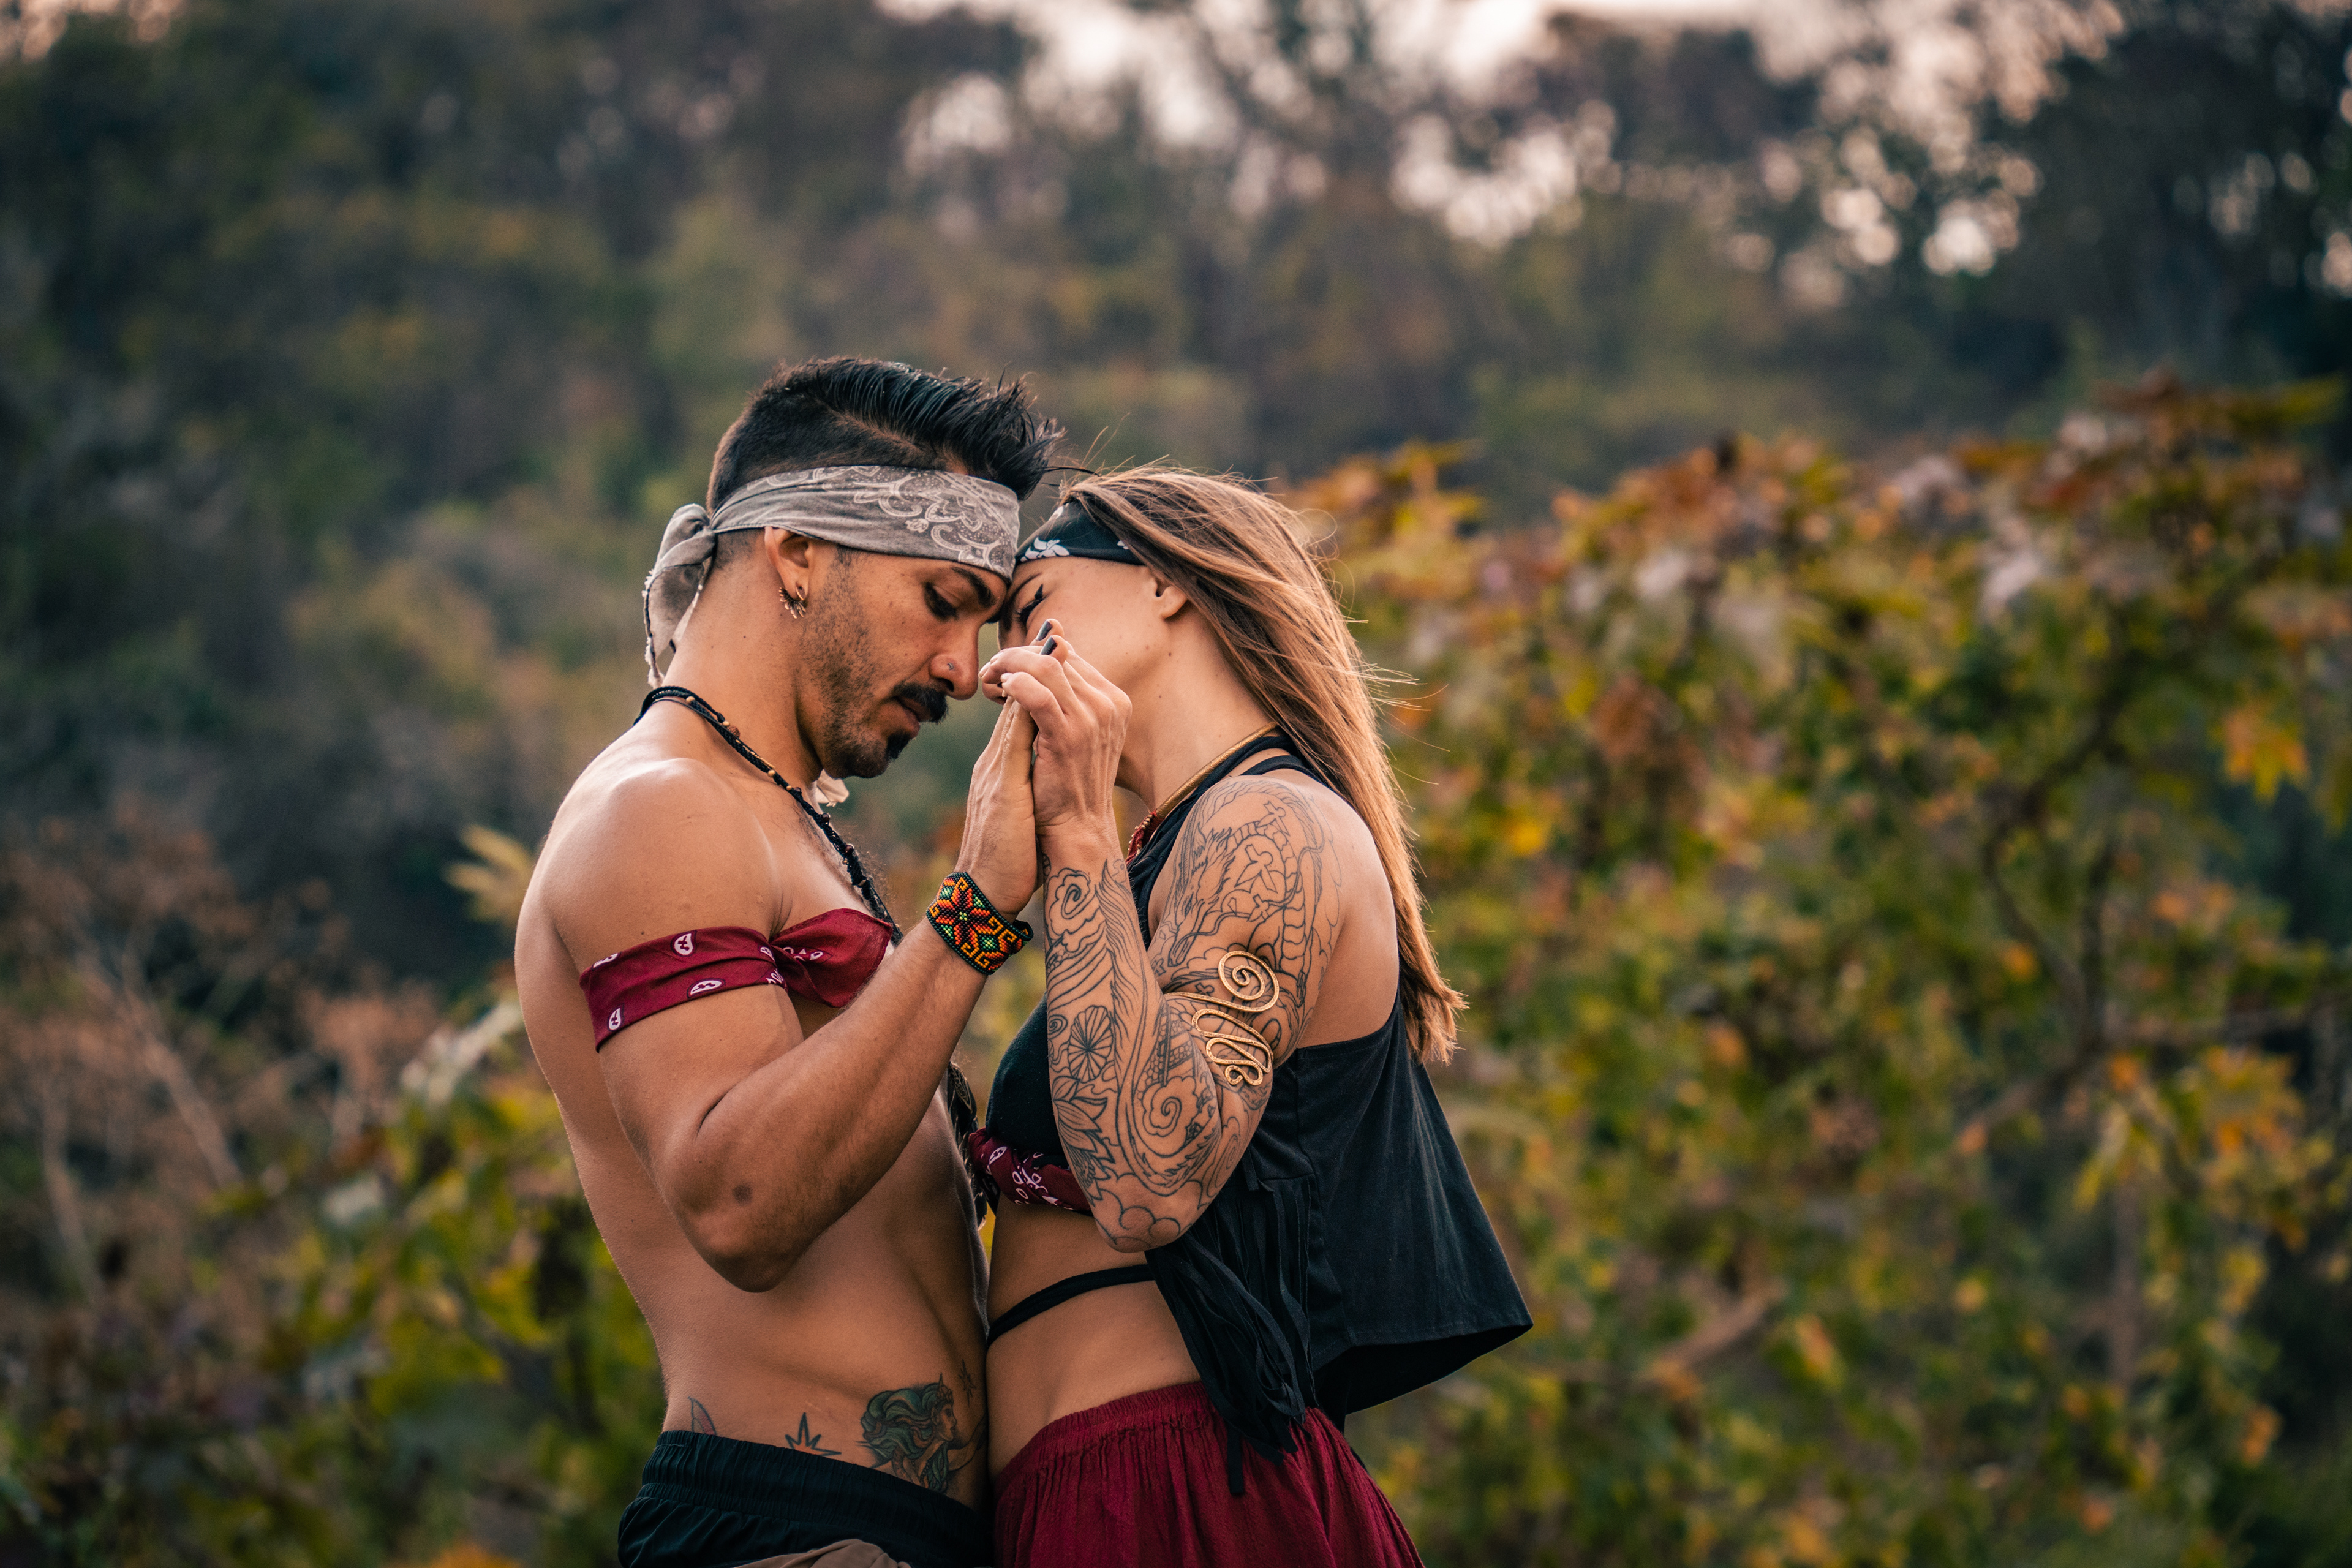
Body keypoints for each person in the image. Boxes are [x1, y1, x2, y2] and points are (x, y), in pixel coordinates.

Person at [515, 358, 1058, 1568]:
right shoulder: (660, 809)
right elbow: (741, 1203)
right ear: (800, 550)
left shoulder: (772, 816)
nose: (966, 669)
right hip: (790, 1528)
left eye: (986, 620)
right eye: (944, 597)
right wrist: (977, 907)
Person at [967, 469, 1532, 1567]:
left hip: (1177, 1493)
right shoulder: (1175, 850)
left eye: (1032, 603)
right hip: (1083, 1491)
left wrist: (1078, 832)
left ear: (1168, 582)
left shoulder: (1270, 823)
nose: (1001, 663)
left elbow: (1143, 1180)